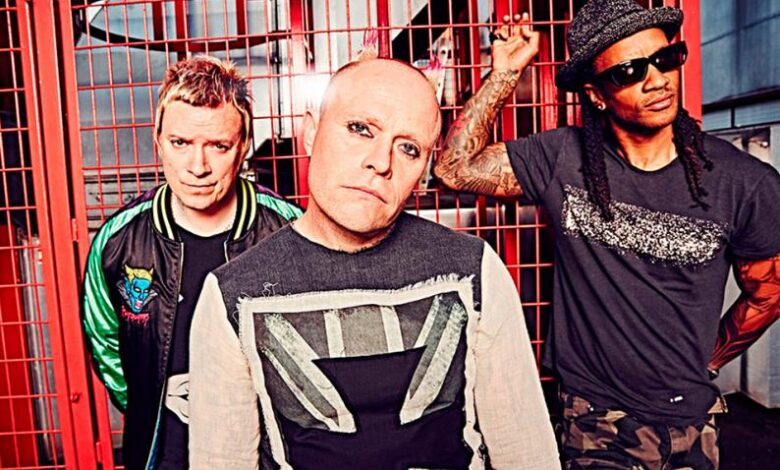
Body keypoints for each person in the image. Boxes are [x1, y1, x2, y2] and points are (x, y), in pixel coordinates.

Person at [433, 1, 780, 468]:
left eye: (665, 59)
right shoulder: (563, 158)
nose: (656, 80)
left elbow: (768, 292)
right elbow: (454, 169)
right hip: (596, 419)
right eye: (629, 71)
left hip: (693, 420)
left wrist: (710, 359)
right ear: (596, 95)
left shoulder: (744, 182)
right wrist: (505, 73)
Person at [188, 58, 559, 469]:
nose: (381, 162)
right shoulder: (232, 293)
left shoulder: (473, 269)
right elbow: (220, 461)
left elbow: (526, 453)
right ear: (311, 132)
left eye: (408, 148)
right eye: (360, 129)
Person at [81, 56, 301, 470]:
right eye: (181, 143)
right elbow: (105, 342)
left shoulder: (290, 231)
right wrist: (154, 395)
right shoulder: (118, 240)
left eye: (218, 146)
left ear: (243, 146)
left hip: (267, 451)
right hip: (162, 449)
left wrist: (240, 398)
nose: (197, 167)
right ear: (159, 140)